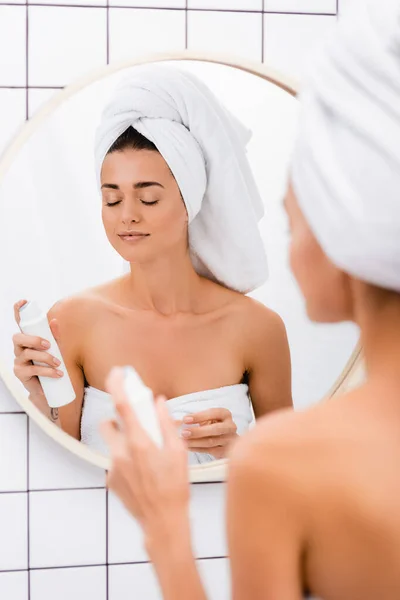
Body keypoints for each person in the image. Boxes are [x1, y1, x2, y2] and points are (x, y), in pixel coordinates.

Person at [100, 0, 400, 597]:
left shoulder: (286, 462)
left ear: (343, 232)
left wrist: (164, 526)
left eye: (292, 222)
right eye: (111, 196)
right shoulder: (75, 316)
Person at [12, 66, 292, 463]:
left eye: (148, 199)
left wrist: (238, 451)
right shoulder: (73, 321)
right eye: (111, 199)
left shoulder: (258, 329)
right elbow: (59, 468)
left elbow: (290, 475)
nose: (126, 215)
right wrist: (40, 402)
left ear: (188, 204)